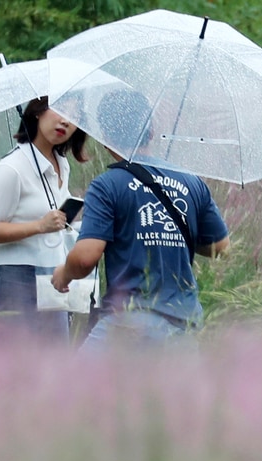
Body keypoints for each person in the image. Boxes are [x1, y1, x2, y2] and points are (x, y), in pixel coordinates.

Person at [51, 89, 229, 350]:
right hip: (183, 329)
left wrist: (63, 274)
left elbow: (85, 258)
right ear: (152, 131)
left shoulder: (108, 185)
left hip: (126, 326)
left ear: (104, 137)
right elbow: (221, 247)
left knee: (78, 390)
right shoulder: (191, 182)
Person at [0, 97, 89, 340]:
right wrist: (39, 226)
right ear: (38, 112)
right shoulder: (12, 168)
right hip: (13, 281)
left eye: (74, 115)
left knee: (52, 371)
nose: (65, 121)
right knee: (11, 370)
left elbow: (53, 224)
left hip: (53, 280)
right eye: (59, 109)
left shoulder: (61, 165)